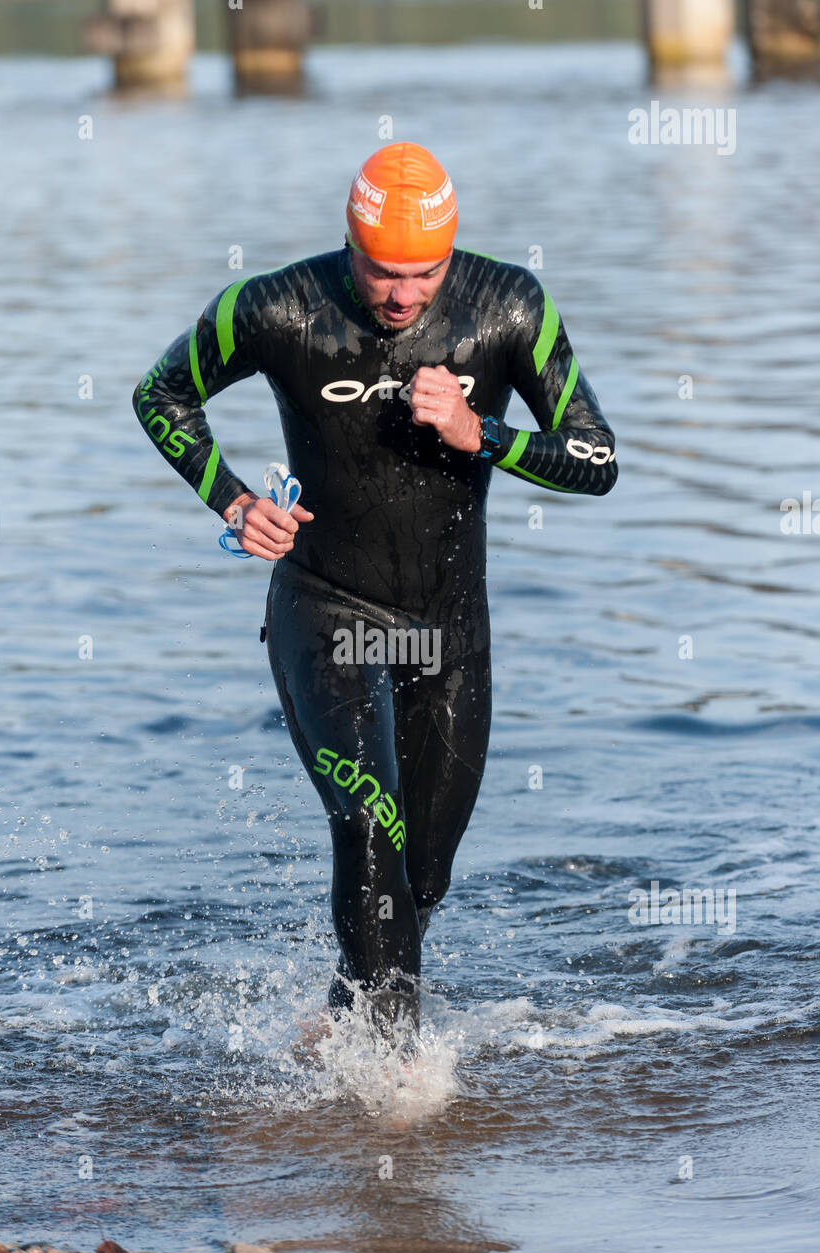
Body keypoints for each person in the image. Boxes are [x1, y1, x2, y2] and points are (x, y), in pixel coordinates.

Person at [133, 141, 617, 1047]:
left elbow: (599, 459)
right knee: (367, 826)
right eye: (381, 271)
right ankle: (395, 1085)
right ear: (348, 244)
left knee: (418, 877)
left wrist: (483, 433)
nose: (401, 295)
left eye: (423, 273)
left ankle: (340, 1026)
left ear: (450, 254)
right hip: (328, 609)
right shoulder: (275, 307)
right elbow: (161, 394)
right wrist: (233, 500)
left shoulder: (507, 306)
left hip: (445, 631)